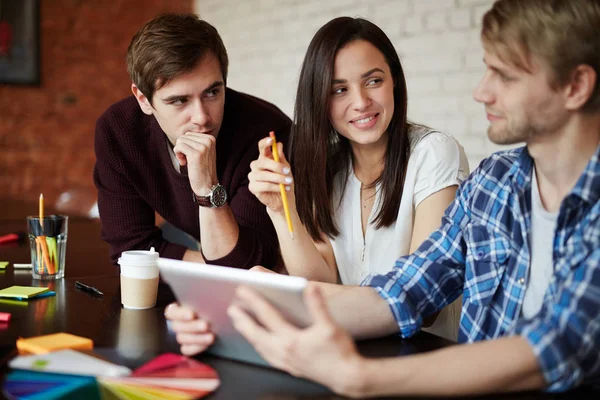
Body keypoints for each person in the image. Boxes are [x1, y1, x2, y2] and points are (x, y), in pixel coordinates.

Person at [224, 0, 600, 396]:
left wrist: (360, 377)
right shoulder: (494, 183)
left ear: (575, 87)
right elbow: (407, 290)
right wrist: (244, 313)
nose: (480, 92)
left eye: (504, 76)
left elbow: (558, 345)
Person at [245, 17, 469, 341]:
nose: (361, 102)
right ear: (319, 101)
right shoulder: (328, 169)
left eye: (373, 81)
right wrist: (281, 209)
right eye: (339, 90)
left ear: (394, 80)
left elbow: (425, 300)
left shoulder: (433, 152)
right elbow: (319, 277)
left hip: (423, 356)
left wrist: (291, 299)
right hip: (351, 349)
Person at [94, 14, 291, 269]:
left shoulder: (266, 133)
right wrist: (208, 268)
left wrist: (208, 188)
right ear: (143, 100)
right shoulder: (119, 131)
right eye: (179, 100)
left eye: (212, 92)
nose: (201, 118)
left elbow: (249, 265)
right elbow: (129, 250)